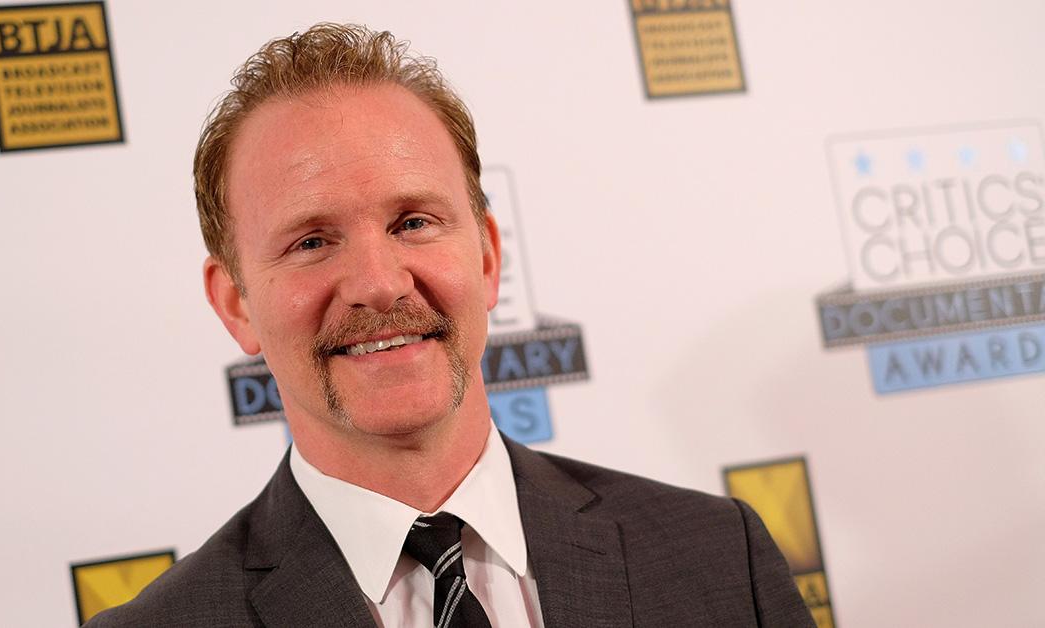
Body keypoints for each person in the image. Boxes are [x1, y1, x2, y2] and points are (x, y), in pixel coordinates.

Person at [87, 23, 814, 628]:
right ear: (236, 304)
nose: (378, 283)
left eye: (414, 222)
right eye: (312, 241)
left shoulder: (718, 560)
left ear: (490, 257)